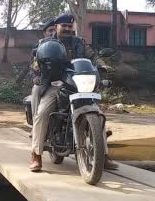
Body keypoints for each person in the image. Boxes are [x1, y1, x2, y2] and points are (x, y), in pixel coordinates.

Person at [28, 14, 118, 172]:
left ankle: (102, 155)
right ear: (56, 27)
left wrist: (102, 65)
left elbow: (93, 57)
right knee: (42, 113)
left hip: (78, 84)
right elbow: (36, 61)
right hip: (55, 83)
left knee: (97, 113)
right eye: (64, 26)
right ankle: (36, 154)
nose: (68, 29)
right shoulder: (46, 43)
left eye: (70, 26)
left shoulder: (79, 43)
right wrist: (37, 69)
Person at [30, 18, 57, 124]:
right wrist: (35, 78)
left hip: (65, 80)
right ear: (44, 33)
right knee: (36, 90)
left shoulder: (64, 43)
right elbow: (33, 66)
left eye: (54, 30)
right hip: (44, 81)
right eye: (50, 30)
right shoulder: (38, 47)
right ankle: (36, 123)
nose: (52, 33)